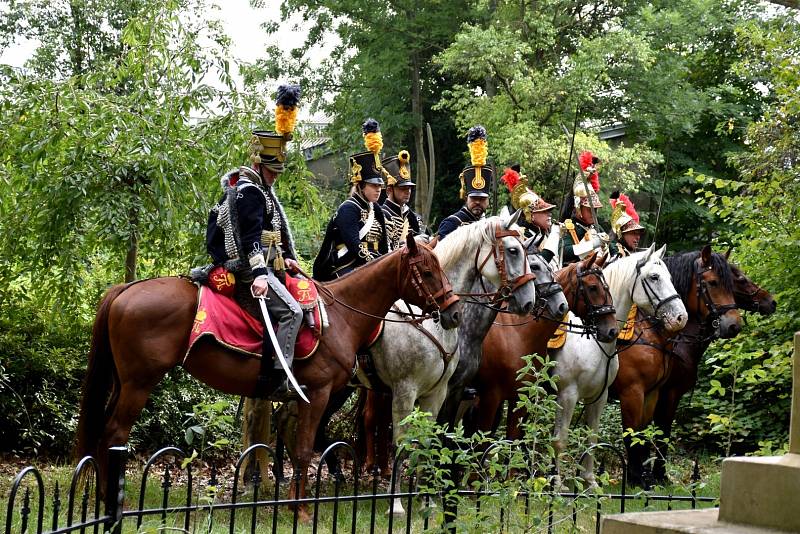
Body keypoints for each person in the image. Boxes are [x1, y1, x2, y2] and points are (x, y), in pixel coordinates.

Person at [205, 84, 303, 400]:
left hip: (268, 261)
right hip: (249, 267)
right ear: (259, 165)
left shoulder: (259, 190)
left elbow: (268, 233)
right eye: (272, 170)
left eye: (278, 170)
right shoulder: (250, 192)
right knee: (293, 313)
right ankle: (278, 378)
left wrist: (285, 258)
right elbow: (249, 240)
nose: (276, 175)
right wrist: (261, 274)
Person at [313, 118, 389, 280]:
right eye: (373, 185)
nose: (378, 189)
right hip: (347, 264)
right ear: (360, 185)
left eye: (379, 185)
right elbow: (355, 246)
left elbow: (383, 246)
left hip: (373, 263)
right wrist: (379, 265)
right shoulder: (348, 208)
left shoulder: (376, 209)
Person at [438, 125, 493, 240]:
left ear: (488, 200)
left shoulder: (489, 225)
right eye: (473, 198)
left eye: (482, 199)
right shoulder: (451, 224)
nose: (477, 202)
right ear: (466, 197)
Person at [500, 164, 560, 269]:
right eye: (544, 211)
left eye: (549, 211)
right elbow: (537, 265)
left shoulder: (541, 233)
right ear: (530, 215)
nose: (549, 214)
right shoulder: (523, 234)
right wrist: (555, 236)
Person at [560, 151, 609, 264]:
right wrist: (594, 243)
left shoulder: (598, 228)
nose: (593, 213)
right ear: (578, 208)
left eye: (595, 209)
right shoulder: (568, 227)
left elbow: (612, 250)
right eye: (589, 209)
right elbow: (565, 251)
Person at [381, 150, 423, 250]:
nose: (408, 191)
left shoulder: (413, 217)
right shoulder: (382, 215)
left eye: (409, 188)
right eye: (403, 188)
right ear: (389, 190)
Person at [608, 191, 645, 260]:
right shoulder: (614, 251)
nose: (638, 237)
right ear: (621, 233)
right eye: (633, 233)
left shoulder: (626, 252)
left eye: (638, 233)